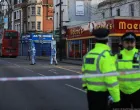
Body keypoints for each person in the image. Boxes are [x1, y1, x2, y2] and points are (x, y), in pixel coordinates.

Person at [81, 28, 120, 110]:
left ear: (95, 40)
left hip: (90, 93)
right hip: (102, 95)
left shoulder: (88, 54)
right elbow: (111, 79)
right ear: (107, 40)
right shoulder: (106, 56)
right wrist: (117, 99)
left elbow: (84, 72)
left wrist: (85, 85)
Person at [116, 32, 140, 108]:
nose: (129, 44)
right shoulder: (117, 56)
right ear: (122, 43)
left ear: (135, 42)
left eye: (132, 42)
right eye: (127, 42)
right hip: (121, 92)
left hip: (137, 91)